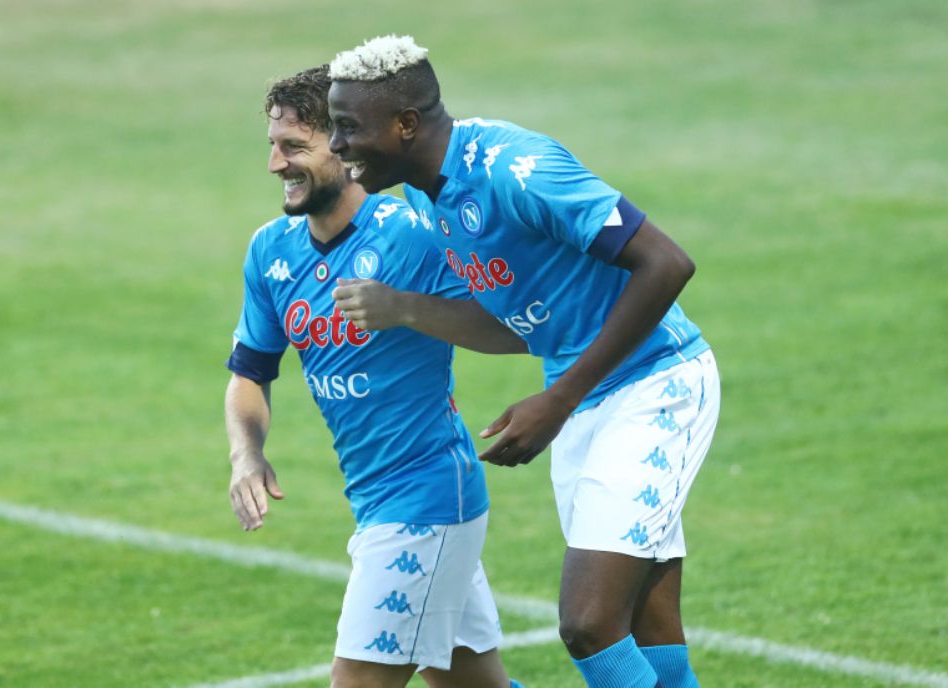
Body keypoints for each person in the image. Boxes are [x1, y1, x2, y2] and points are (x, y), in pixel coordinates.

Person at [326, 35, 720, 688]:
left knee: (589, 624)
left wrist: (558, 400)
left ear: (405, 124)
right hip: (585, 400)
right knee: (648, 625)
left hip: (657, 384)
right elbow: (514, 324)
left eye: (347, 127)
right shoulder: (425, 194)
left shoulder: (518, 169)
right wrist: (405, 309)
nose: (337, 145)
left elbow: (667, 263)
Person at [224, 65, 526, 688]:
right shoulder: (271, 250)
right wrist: (245, 454)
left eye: (294, 147)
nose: (276, 165)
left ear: (341, 145)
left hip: (426, 499)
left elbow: (512, 329)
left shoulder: (413, 236)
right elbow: (250, 372)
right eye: (273, 146)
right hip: (378, 499)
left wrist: (406, 308)